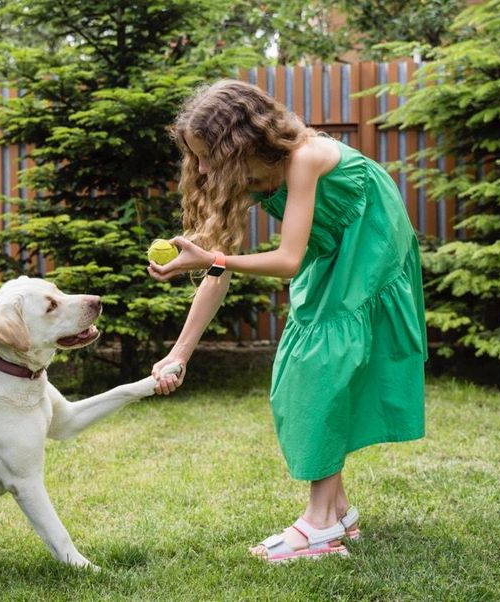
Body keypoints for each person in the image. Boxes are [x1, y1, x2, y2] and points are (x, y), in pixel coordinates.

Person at [148, 79, 427, 563]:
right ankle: (338, 513)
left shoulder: (306, 158)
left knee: (318, 371)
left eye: (209, 155)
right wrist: (179, 353)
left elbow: (288, 259)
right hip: (333, 254)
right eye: (195, 157)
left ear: (239, 142)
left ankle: (319, 525)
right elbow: (216, 268)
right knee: (310, 372)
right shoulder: (250, 174)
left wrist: (212, 258)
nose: (203, 167)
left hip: (371, 244)